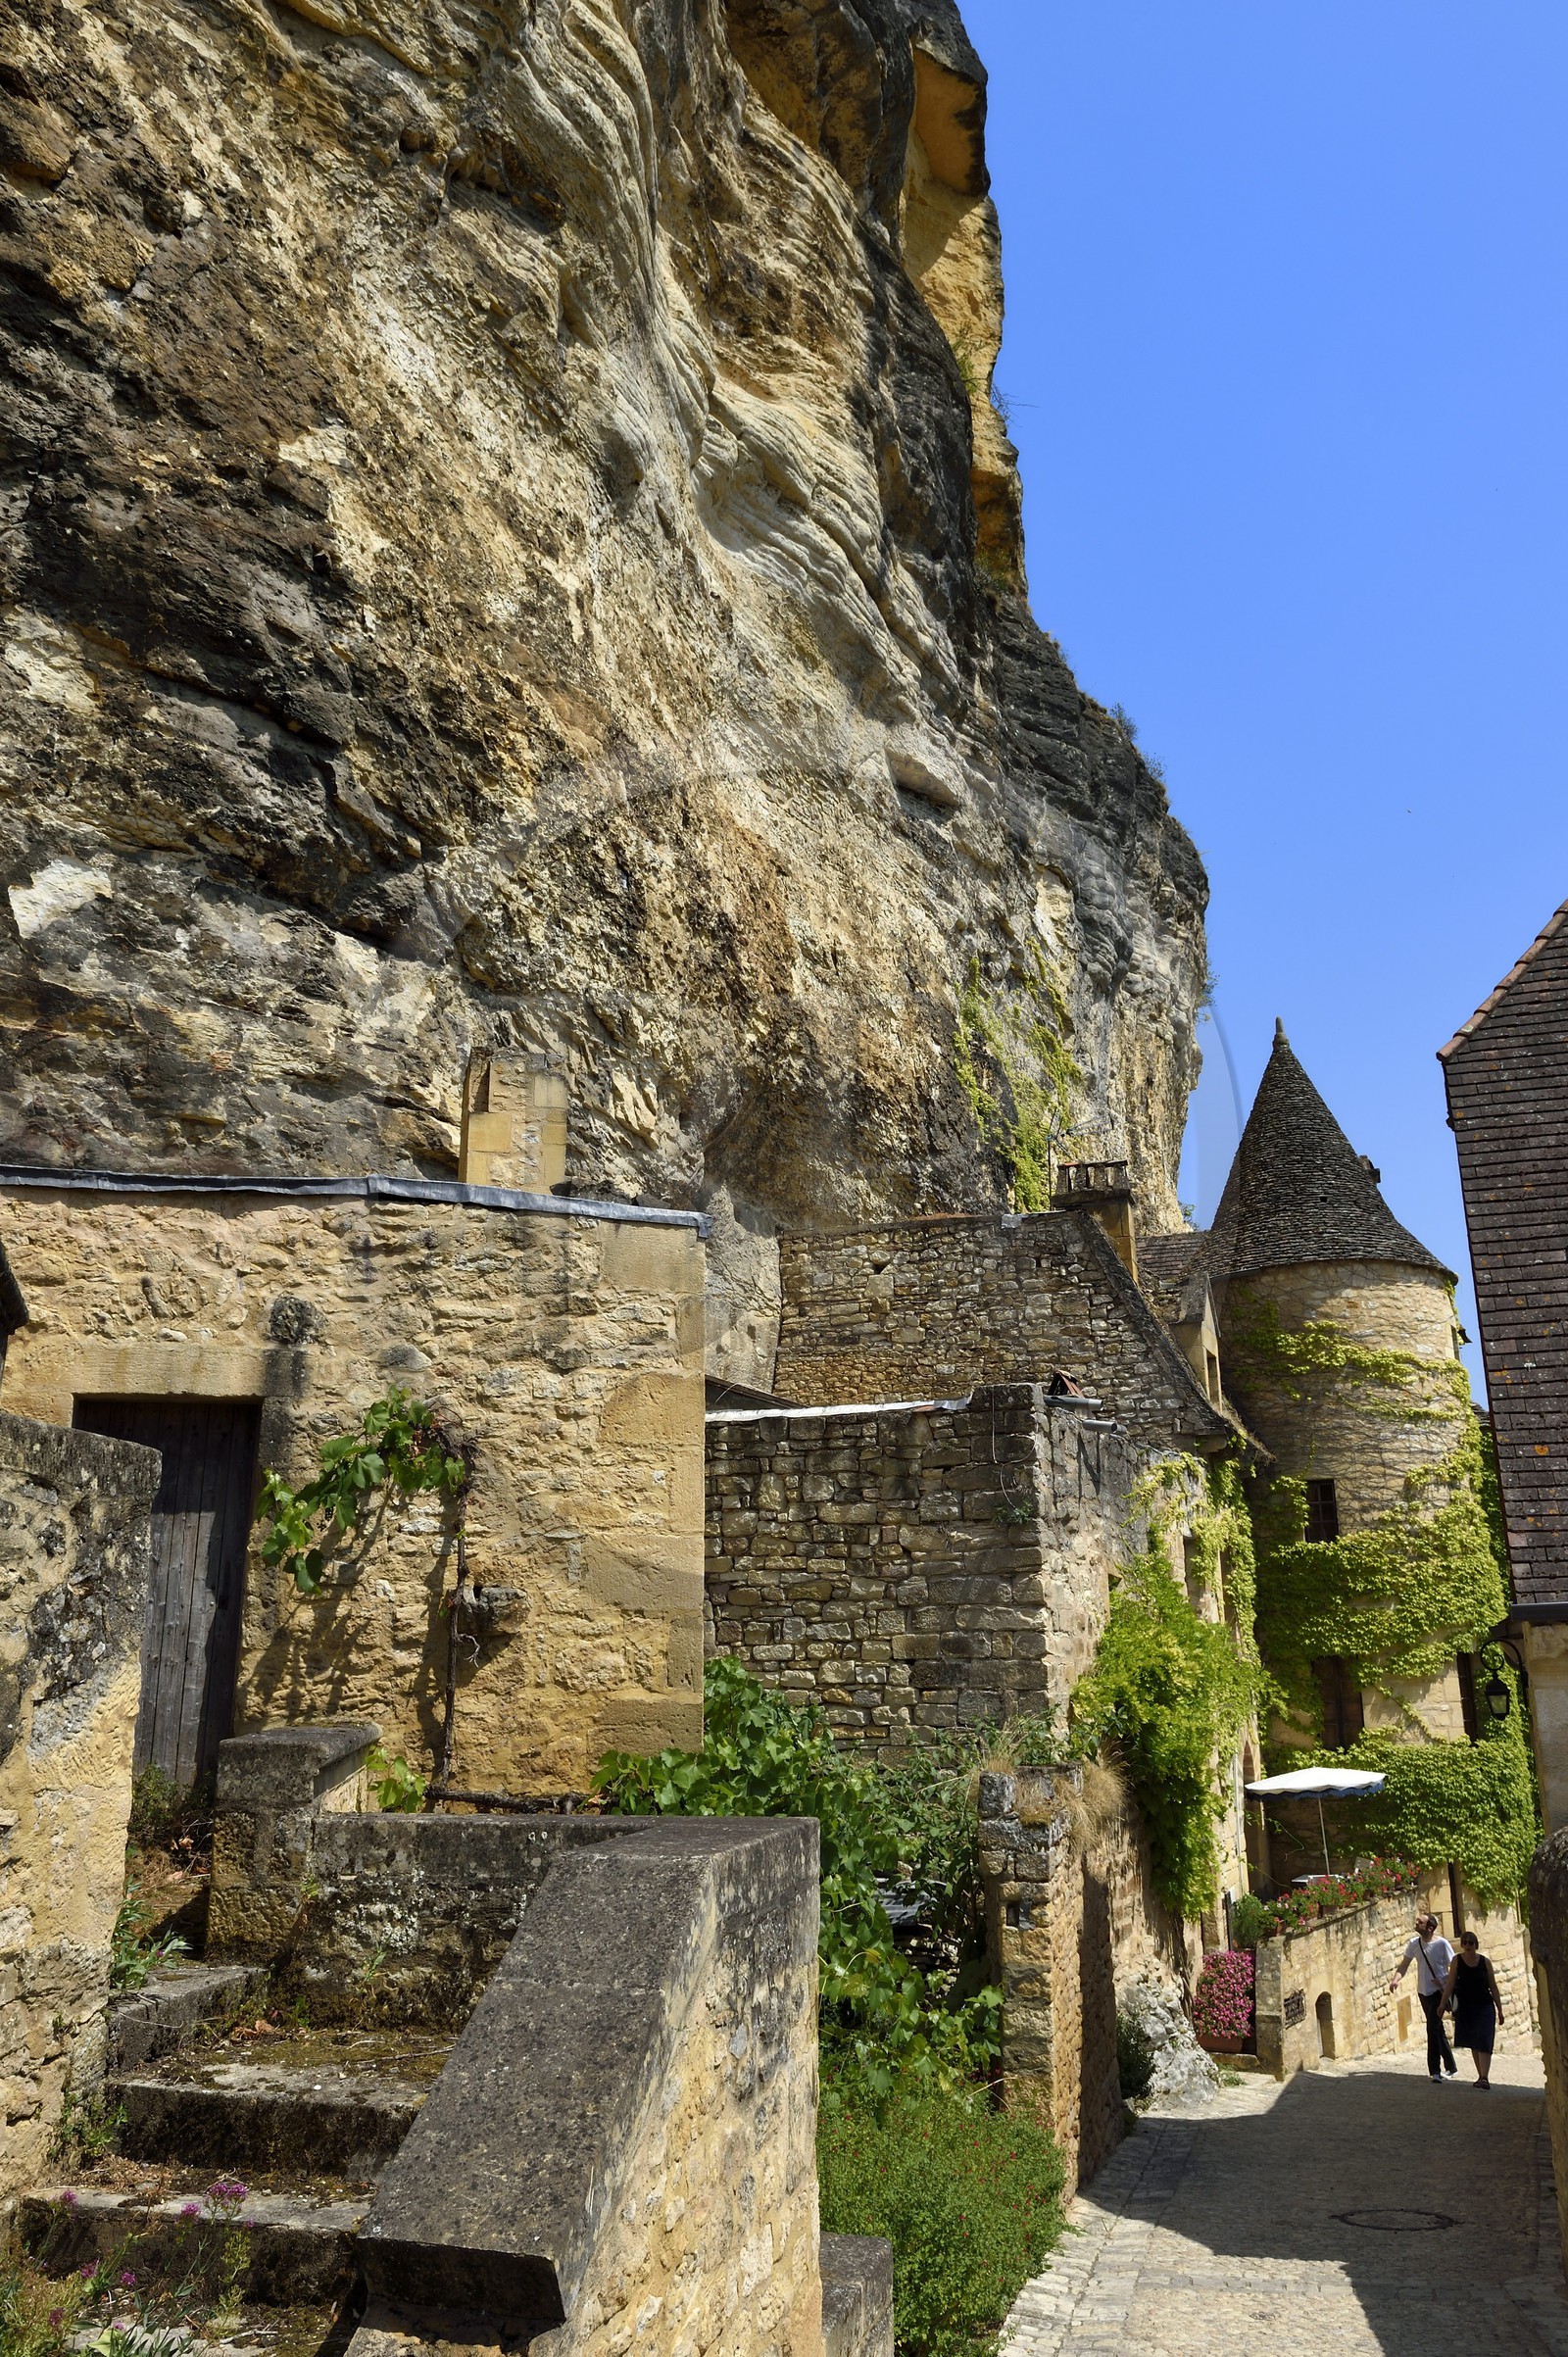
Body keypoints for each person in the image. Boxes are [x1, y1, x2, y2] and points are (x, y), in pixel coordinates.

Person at [1389, 1911, 1457, 2081]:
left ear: (1430, 1928)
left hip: (1438, 1993)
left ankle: (1434, 2071)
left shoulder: (1442, 1944)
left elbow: (1456, 1967)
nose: (1416, 1922)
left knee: (1432, 2028)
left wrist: (1443, 1979)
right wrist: (1396, 1979)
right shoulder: (1414, 1944)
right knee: (1437, 2028)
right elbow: (1404, 1965)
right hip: (1423, 1992)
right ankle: (1451, 2067)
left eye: (1420, 1921)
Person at [1444, 1930, 1504, 2087]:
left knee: (1484, 2039)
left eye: (1471, 1942)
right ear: (1462, 1945)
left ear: (1475, 1944)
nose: (1468, 1945)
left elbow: (1494, 1987)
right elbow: (1450, 1984)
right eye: (1465, 1942)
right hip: (1466, 2007)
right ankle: (1481, 2076)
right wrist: (1442, 2003)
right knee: (1474, 2041)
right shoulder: (1457, 1961)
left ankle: (1484, 2077)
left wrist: (1500, 2009)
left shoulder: (1485, 1962)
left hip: (1484, 2005)